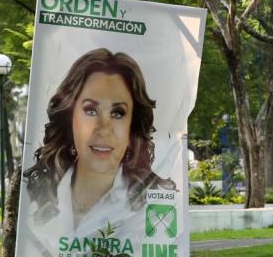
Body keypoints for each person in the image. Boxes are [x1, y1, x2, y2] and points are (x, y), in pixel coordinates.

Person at [23, 48, 175, 239]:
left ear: (132, 125)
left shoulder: (157, 200)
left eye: (117, 113)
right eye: (91, 110)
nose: (104, 128)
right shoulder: (31, 192)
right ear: (70, 118)